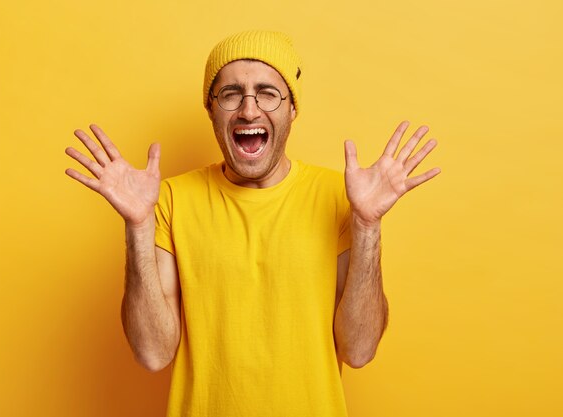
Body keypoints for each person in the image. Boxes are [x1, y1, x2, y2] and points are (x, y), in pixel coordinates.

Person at [65, 31, 440, 417]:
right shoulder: (170, 201)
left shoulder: (340, 198)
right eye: (230, 94)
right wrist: (138, 226)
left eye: (267, 93)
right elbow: (153, 353)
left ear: (292, 108)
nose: (248, 110)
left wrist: (366, 224)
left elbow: (359, 351)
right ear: (211, 109)